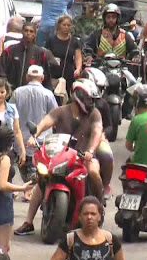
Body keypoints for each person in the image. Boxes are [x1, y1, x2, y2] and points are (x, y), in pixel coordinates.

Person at [14, 80, 109, 235]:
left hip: (84, 157)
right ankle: (28, 222)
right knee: (42, 179)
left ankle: (99, 206)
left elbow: (97, 132)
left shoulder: (94, 114)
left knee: (93, 172)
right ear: (76, 96)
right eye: (87, 99)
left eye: (92, 99)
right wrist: (34, 135)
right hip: (59, 156)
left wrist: (90, 150)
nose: (89, 102)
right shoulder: (60, 111)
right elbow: (45, 123)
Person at [47, 197, 129, 260]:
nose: (89, 217)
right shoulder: (70, 239)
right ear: (79, 216)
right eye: (85, 214)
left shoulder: (111, 241)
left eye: (93, 214)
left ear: (100, 216)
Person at [10, 65, 58, 201]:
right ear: (42, 78)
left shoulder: (17, 93)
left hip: (20, 139)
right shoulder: (48, 94)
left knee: (22, 165)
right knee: (39, 167)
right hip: (41, 140)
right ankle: (30, 190)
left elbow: (11, 114)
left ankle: (25, 189)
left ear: (27, 77)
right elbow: (55, 115)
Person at [0, 127, 34, 252]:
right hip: (2, 206)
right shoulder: (4, 159)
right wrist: (22, 188)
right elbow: (2, 185)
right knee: (3, 248)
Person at [0, 22, 55, 90]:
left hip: (32, 93)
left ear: (35, 34)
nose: (28, 33)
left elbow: (46, 76)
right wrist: (6, 87)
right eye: (26, 30)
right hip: (11, 92)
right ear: (22, 32)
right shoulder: (10, 50)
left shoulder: (40, 53)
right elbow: (0, 71)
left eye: (31, 31)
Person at [45, 14, 83, 94]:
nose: (66, 27)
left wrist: (78, 69)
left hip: (69, 73)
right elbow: (46, 55)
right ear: (59, 25)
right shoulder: (51, 39)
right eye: (64, 25)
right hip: (54, 73)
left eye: (68, 25)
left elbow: (78, 57)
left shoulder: (75, 41)